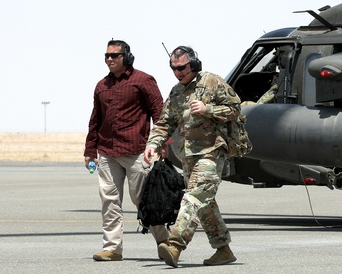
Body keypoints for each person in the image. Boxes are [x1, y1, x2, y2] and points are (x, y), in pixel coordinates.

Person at [143, 46, 241, 268]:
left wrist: (208, 109)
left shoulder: (212, 82)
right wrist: (152, 144)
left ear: (194, 64)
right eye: (174, 68)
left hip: (211, 153)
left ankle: (175, 245)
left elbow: (235, 108)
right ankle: (223, 249)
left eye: (182, 68)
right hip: (189, 157)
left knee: (193, 198)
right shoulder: (177, 92)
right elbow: (165, 122)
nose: (178, 72)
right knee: (205, 204)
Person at [84, 39, 169, 262]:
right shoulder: (102, 85)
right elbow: (95, 120)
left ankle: (165, 242)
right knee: (109, 201)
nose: (110, 59)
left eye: (115, 56)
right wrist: (90, 151)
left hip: (137, 150)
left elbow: (160, 115)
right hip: (107, 153)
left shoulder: (143, 80)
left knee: (142, 199)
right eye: (107, 56)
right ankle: (112, 248)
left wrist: (163, 145)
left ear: (127, 57)